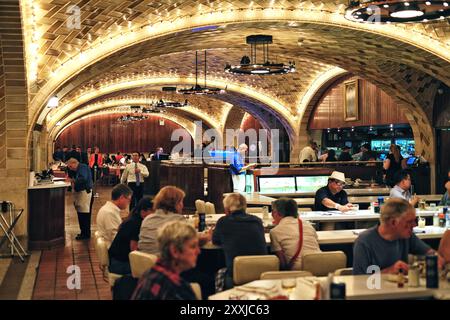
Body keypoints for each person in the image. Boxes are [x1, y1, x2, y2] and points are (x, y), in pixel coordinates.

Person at [353, 198, 445, 275]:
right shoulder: (364, 242)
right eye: (409, 222)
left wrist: (436, 257)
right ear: (393, 222)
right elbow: (358, 281)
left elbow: (428, 252)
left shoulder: (407, 236)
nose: (414, 225)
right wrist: (389, 271)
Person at [131, 221, 199, 300]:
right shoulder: (178, 289)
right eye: (193, 246)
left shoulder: (148, 274)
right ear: (175, 251)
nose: (198, 251)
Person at [212, 193, 267, 289]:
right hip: (262, 275)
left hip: (236, 276)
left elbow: (215, 241)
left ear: (227, 209)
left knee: (217, 272)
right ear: (245, 207)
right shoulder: (257, 221)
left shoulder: (223, 222)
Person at [270, 198, 320, 270]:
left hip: (299, 269)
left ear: (276, 213)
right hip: (320, 264)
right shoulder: (308, 226)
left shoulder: (275, 231)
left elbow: (282, 263)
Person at [108, 197, 154, 275]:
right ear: (143, 212)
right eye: (153, 211)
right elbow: (134, 251)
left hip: (115, 261)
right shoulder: (136, 224)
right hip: (120, 265)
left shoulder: (133, 219)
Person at [138, 186, 187, 254]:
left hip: (143, 262)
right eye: (181, 202)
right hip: (164, 262)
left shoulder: (147, 219)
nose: (182, 205)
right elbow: (190, 243)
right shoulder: (179, 220)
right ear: (174, 203)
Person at [96, 184, 133, 248]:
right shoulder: (110, 213)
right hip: (114, 251)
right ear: (121, 198)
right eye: (129, 199)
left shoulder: (108, 209)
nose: (129, 202)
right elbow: (116, 239)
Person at [66, 158, 93, 240]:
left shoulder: (83, 167)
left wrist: (73, 180)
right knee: (81, 213)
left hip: (85, 193)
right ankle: (83, 232)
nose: (70, 168)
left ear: (74, 163)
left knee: (84, 214)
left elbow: (83, 179)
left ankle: (86, 234)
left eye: (70, 166)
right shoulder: (79, 169)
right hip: (81, 193)